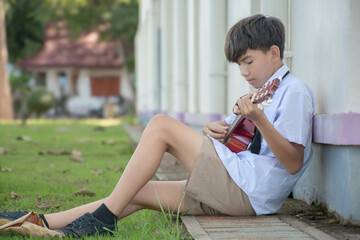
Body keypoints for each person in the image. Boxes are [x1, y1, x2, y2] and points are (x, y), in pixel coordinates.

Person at [0, 14, 316, 238]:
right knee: (136, 192)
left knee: (162, 125)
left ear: (274, 53)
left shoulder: (294, 91)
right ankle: (40, 221)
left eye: (248, 61)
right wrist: (219, 132)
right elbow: (250, 147)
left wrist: (258, 118)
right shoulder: (263, 92)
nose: (244, 72)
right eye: (239, 65)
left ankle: (104, 220)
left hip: (247, 190)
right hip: (239, 185)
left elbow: (291, 161)